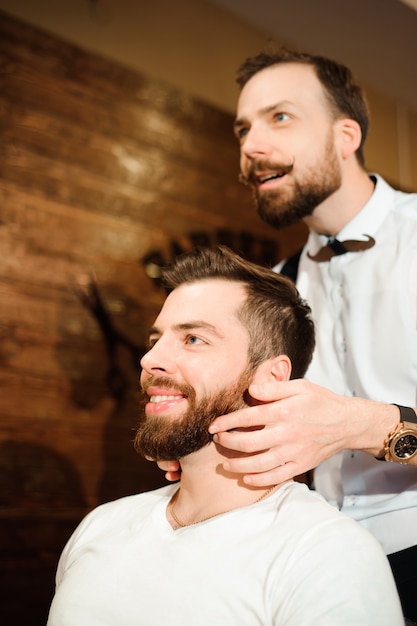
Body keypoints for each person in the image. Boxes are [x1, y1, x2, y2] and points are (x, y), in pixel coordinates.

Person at [157, 49, 417, 622]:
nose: (251, 146)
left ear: (346, 135)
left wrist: (364, 423)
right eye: (243, 128)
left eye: (280, 117)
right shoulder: (277, 288)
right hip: (316, 562)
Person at [46, 246, 403, 625]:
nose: (149, 360)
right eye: (155, 341)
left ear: (271, 378)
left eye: (193, 339)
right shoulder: (100, 527)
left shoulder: (326, 554)